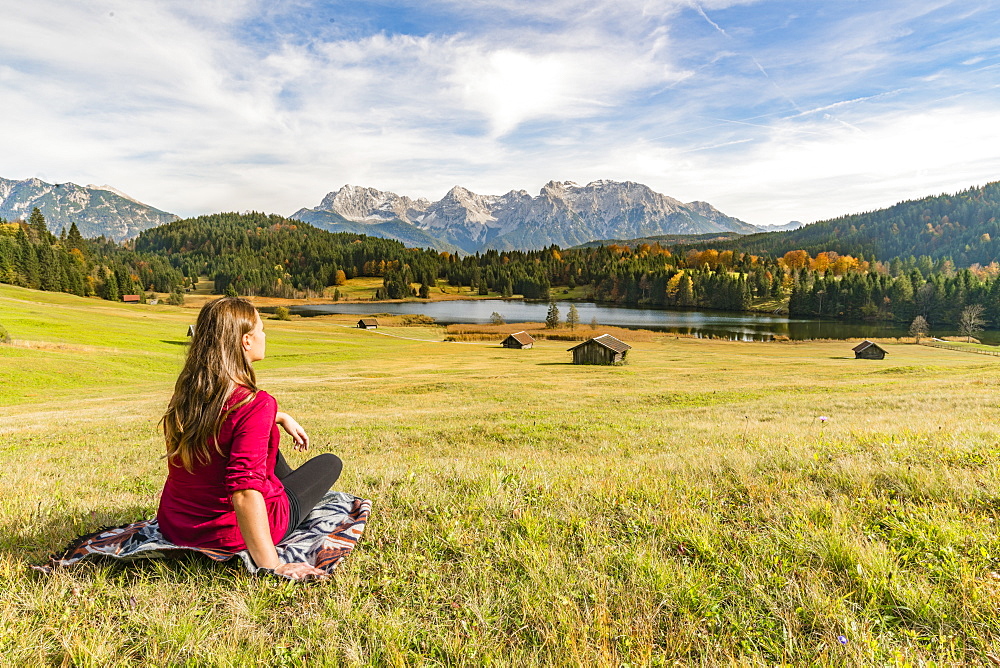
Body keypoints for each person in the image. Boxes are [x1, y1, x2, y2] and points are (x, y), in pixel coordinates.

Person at [156, 297, 342, 580]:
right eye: (262, 329)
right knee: (330, 463)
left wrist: (278, 417)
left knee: (264, 443)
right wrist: (273, 565)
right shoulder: (255, 404)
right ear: (245, 341)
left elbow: (224, 423)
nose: (265, 336)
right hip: (226, 534)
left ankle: (280, 484)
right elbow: (243, 493)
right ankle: (284, 495)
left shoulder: (188, 395)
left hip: (176, 526)